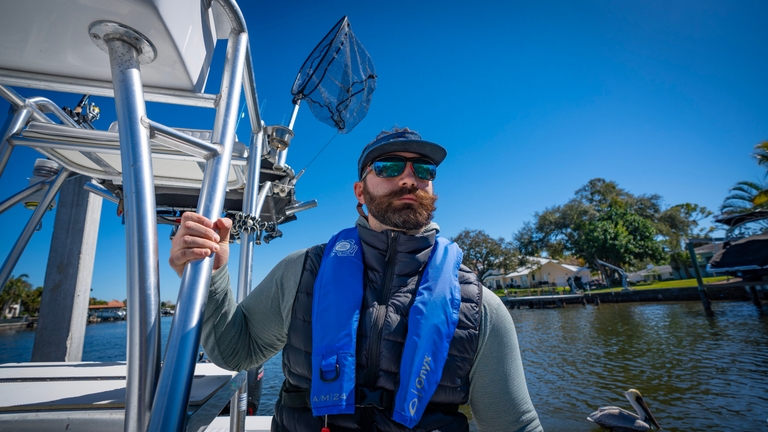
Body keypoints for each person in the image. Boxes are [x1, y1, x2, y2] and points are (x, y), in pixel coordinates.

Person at [169, 128, 542, 432]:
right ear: (360, 192)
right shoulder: (301, 271)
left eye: (424, 170)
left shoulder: (479, 305)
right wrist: (212, 275)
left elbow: (516, 424)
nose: (410, 178)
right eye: (390, 167)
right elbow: (237, 352)